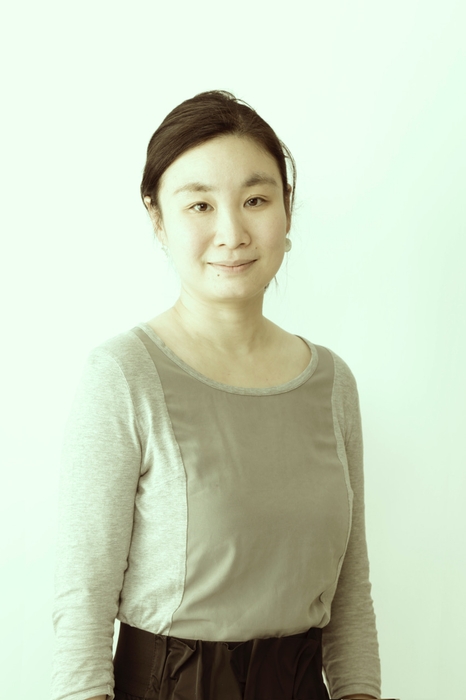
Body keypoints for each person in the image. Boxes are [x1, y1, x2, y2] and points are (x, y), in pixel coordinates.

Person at [51, 90, 382, 700]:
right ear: (158, 218)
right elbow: (83, 600)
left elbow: (350, 594)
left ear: (287, 210)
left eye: (256, 200)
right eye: (199, 204)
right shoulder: (123, 374)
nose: (232, 232)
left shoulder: (333, 383)